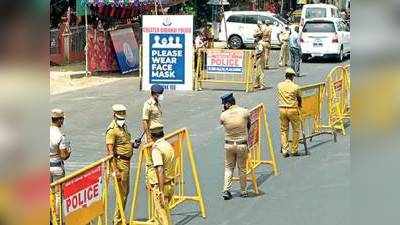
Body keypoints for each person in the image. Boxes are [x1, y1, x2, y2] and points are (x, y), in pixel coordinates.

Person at [105, 104, 133, 225]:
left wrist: (132, 144)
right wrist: (115, 170)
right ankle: (118, 220)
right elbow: (110, 152)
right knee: (122, 192)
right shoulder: (112, 130)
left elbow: (125, 142)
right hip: (119, 163)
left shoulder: (123, 127)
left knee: (125, 192)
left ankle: (119, 217)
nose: (122, 119)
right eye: (119, 117)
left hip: (126, 162)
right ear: (114, 115)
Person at [219, 93, 251, 200]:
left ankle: (226, 189)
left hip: (229, 144)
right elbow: (248, 123)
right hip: (242, 144)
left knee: (228, 168)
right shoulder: (244, 112)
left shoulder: (223, 115)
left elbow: (221, 122)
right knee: (242, 168)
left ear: (227, 104)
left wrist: (224, 111)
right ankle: (243, 191)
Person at [145, 131, 175, 225]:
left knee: (162, 215)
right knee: (164, 213)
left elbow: (160, 169)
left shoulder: (156, 149)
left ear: (152, 136)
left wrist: (161, 191)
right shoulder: (168, 145)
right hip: (170, 184)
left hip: (161, 186)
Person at [277, 68, 302, 157]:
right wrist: (300, 106)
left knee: (284, 130)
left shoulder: (279, 85)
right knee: (296, 130)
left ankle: (285, 150)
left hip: (282, 109)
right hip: (292, 109)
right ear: (292, 77)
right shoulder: (296, 87)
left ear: (285, 76)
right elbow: (299, 98)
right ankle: (294, 150)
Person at [50, 108, 72, 182]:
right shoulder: (60, 136)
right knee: (59, 192)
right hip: (57, 168)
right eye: (62, 119)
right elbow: (63, 156)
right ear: (59, 120)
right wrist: (68, 152)